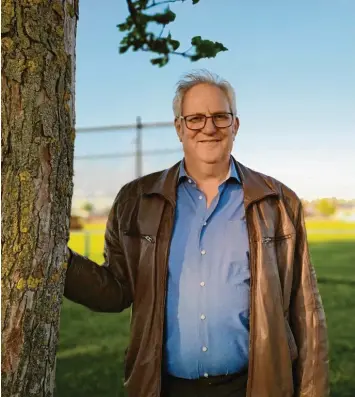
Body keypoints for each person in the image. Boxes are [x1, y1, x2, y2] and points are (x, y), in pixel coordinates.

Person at [64, 70, 329, 397]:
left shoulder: (278, 202)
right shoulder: (136, 201)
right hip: (167, 387)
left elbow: (306, 311)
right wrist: (59, 263)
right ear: (179, 127)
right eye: (195, 118)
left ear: (236, 125)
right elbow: (116, 290)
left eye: (220, 116)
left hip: (252, 385)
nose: (208, 127)